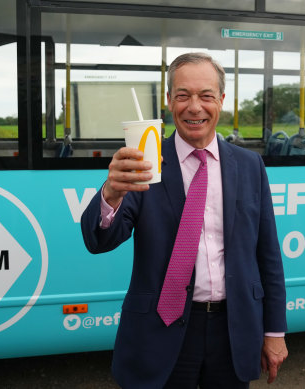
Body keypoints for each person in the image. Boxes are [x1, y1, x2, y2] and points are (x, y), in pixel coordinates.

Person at [81, 52, 288, 388]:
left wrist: (274, 331)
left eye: (206, 95)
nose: (195, 107)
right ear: (169, 101)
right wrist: (111, 193)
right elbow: (99, 240)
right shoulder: (146, 162)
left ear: (221, 100)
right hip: (161, 330)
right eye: (183, 95)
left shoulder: (250, 166)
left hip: (233, 330)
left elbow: (268, 256)